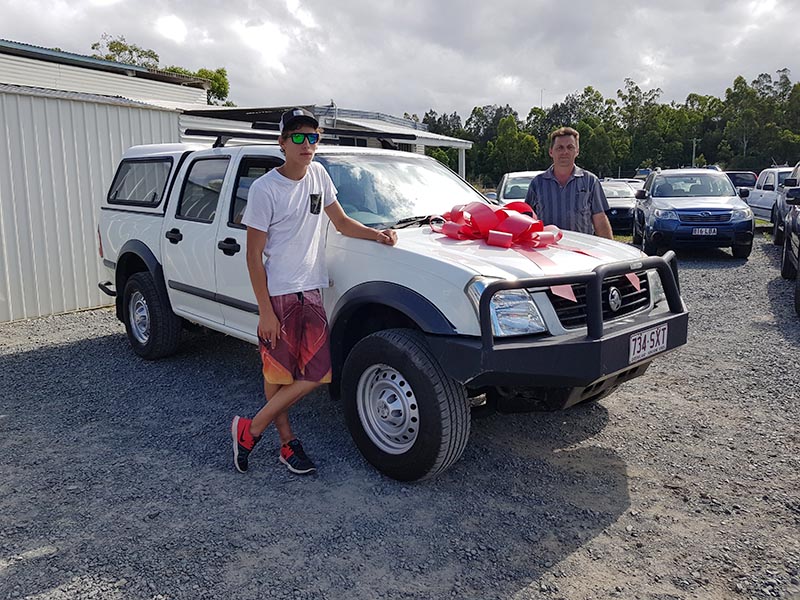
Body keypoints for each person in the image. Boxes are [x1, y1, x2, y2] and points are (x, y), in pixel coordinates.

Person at [231, 107, 398, 475]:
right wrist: (265, 310)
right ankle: (287, 444)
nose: (307, 144)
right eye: (298, 137)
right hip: (280, 295)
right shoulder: (264, 189)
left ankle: (251, 428)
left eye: (313, 136)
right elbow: (253, 255)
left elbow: (340, 221)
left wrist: (377, 234)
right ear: (282, 143)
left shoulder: (319, 176)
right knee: (278, 375)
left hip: (311, 289)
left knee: (318, 373)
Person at [525, 127, 614, 239]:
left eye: (570, 147)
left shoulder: (590, 181)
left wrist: (609, 252)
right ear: (551, 152)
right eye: (560, 148)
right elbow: (528, 221)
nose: (565, 152)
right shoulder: (537, 184)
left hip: (582, 251)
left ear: (577, 151)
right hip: (547, 251)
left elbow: (600, 220)